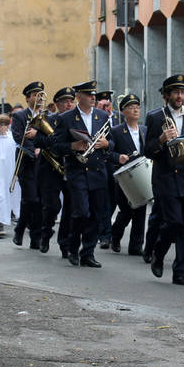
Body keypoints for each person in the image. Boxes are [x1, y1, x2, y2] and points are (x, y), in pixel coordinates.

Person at [145, 74, 184, 286]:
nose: (179, 96)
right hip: (166, 179)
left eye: (182, 93)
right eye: (175, 93)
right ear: (167, 95)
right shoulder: (154, 117)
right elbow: (147, 152)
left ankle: (180, 272)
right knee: (174, 222)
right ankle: (158, 253)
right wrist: (161, 140)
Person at [53, 80, 112, 268]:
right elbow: (56, 146)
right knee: (81, 212)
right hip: (77, 171)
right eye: (89, 95)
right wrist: (72, 146)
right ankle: (72, 247)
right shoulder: (66, 118)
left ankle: (88, 252)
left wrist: (107, 145)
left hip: (97, 171)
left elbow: (112, 143)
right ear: (79, 97)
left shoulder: (103, 116)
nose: (93, 98)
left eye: (94, 95)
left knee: (95, 214)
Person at [36, 87, 75, 255]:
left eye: (71, 101)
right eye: (65, 102)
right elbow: (37, 140)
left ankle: (65, 243)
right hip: (50, 169)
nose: (68, 104)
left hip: (71, 167)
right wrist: (50, 139)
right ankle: (45, 234)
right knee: (52, 206)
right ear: (57, 104)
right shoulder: (48, 119)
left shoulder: (76, 120)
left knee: (70, 208)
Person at [107, 94, 147, 255]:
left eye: (137, 106)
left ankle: (136, 246)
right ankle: (115, 236)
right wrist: (118, 157)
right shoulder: (116, 131)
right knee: (126, 211)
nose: (135, 110)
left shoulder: (144, 130)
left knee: (141, 211)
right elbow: (107, 152)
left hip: (142, 176)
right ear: (123, 111)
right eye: (131, 107)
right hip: (124, 178)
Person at [11, 81, 45, 250]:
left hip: (43, 164)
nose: (39, 98)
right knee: (32, 199)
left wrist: (38, 137)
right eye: (35, 95)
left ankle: (25, 232)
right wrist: (34, 149)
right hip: (26, 163)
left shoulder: (47, 116)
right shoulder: (19, 116)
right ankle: (31, 233)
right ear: (28, 98)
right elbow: (18, 137)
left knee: (35, 201)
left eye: (41, 95)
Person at [95, 90, 119, 249]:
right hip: (102, 164)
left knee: (115, 200)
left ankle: (105, 229)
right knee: (104, 201)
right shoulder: (96, 118)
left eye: (108, 104)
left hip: (117, 164)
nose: (106, 107)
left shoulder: (119, 118)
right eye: (102, 104)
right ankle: (105, 235)